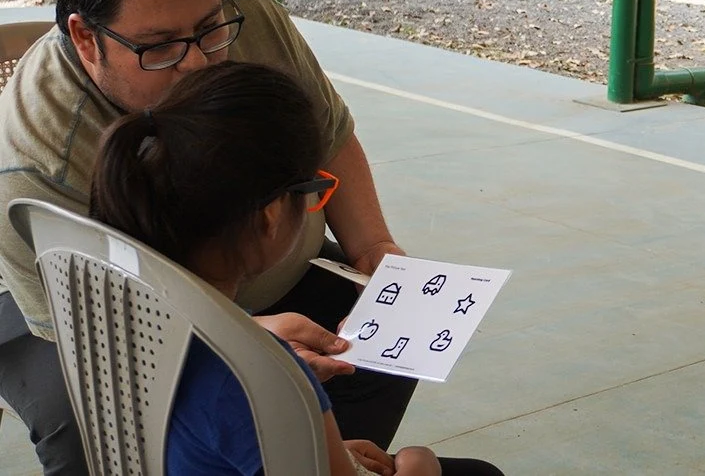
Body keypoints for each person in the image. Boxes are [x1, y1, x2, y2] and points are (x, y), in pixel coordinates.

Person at [0, 0, 413, 474]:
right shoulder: (36, 158)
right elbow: (89, 332)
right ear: (87, 39)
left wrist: (376, 251)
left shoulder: (250, 16)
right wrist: (237, 343)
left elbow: (326, 133)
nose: (198, 62)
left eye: (209, 28)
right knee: (95, 440)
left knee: (384, 347)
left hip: (237, 271)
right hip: (70, 319)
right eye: (159, 46)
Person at [90, 61, 501, 476]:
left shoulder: (127, 325)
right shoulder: (269, 377)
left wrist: (331, 451)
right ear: (270, 217)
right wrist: (419, 467)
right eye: (313, 190)